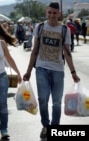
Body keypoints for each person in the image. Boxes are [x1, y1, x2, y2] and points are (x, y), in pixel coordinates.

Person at [22, 2, 80, 140]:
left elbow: (67, 53)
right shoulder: (40, 27)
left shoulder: (64, 30)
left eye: (55, 13)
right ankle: (45, 126)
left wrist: (73, 72)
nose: (52, 15)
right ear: (46, 13)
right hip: (41, 68)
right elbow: (34, 50)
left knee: (56, 102)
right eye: (50, 13)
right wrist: (28, 71)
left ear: (59, 14)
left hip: (58, 70)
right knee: (43, 99)